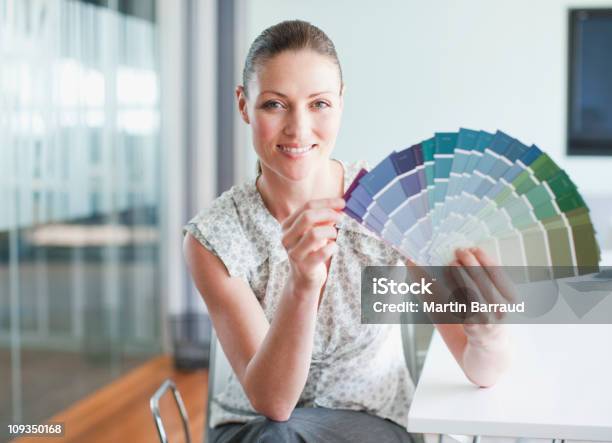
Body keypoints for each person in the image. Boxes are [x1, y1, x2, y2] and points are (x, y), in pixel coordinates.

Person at [183, 20, 512, 443]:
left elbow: (478, 368)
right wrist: (303, 285)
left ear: (340, 102)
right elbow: (274, 404)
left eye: (318, 104)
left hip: (370, 421)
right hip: (254, 429)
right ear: (244, 106)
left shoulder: (391, 207)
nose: (298, 129)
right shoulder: (214, 238)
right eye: (274, 105)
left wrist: (488, 335)